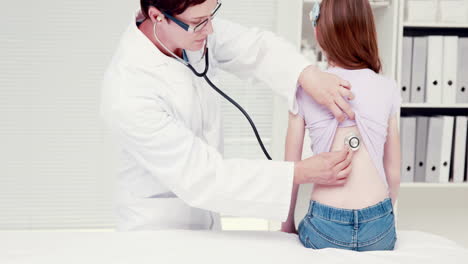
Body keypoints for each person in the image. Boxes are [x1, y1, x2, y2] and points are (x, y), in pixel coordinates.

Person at [101, 0, 356, 231]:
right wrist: (299, 173)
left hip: (207, 221)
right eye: (198, 22)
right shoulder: (129, 89)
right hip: (157, 230)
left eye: (212, 15)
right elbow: (202, 176)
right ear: (157, 16)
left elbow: (258, 49)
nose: (210, 29)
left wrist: (307, 75)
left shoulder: (190, 25)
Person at [281, 0, 401, 251]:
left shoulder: (304, 90)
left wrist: (287, 223)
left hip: (325, 223)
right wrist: (387, 217)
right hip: (378, 224)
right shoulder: (388, 87)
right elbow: (393, 172)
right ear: (368, 32)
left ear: (318, 32)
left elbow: (291, 170)